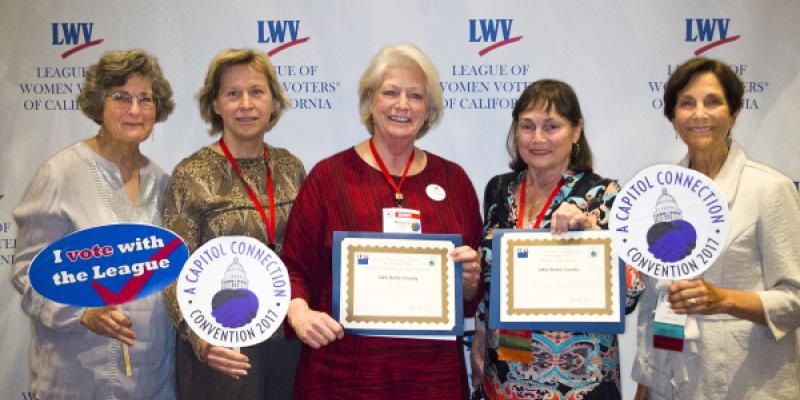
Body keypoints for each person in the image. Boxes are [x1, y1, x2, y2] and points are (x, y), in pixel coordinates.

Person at [280, 43, 483, 399]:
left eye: (416, 95)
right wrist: (298, 313)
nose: (402, 105)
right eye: (391, 92)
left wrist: (470, 280)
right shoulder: (329, 177)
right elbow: (294, 268)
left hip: (432, 379)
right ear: (371, 101)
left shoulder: (454, 182)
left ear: (429, 109)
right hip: (342, 374)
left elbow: (469, 291)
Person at [11, 49, 176, 399]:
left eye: (145, 98)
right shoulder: (60, 173)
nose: (135, 110)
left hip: (155, 376)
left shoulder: (162, 182)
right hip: (78, 375)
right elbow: (28, 273)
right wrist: (82, 312)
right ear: (98, 104)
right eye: (121, 97)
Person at [632, 58, 800, 400]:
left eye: (713, 102)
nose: (699, 114)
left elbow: (795, 298)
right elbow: (654, 303)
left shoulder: (769, 189)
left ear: (734, 113)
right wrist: (645, 385)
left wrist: (724, 300)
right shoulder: (657, 194)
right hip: (671, 382)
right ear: (673, 117)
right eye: (686, 103)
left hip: (748, 382)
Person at [470, 80, 645, 400]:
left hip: (580, 378)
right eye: (527, 126)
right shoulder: (498, 190)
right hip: (506, 372)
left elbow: (631, 294)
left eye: (552, 126)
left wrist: (593, 235)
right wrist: (480, 339)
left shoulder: (606, 197)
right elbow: (490, 279)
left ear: (576, 131)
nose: (538, 138)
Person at [161, 48, 305, 400]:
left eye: (257, 92)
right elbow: (172, 267)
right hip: (221, 348)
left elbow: (306, 256)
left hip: (287, 341)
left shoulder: (291, 168)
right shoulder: (191, 174)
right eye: (232, 93)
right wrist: (202, 341)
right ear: (215, 104)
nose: (245, 104)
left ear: (274, 102)